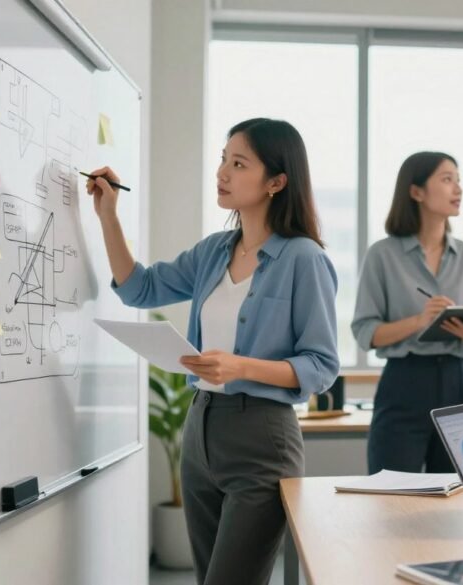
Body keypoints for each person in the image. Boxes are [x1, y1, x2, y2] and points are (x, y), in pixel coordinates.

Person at [86, 118, 339, 585]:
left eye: (238, 163)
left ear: (277, 182)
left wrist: (239, 366)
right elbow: (140, 288)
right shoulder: (213, 251)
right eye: (223, 159)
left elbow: (321, 367)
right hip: (201, 432)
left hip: (262, 437)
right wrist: (108, 216)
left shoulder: (305, 259)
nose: (222, 172)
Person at [351, 152, 463, 474]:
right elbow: (365, 332)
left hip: (459, 384)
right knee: (392, 498)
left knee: (461, 499)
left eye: (458, 179)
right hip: (404, 384)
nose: (458, 188)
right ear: (416, 192)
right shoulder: (382, 256)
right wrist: (420, 321)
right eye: (446, 179)